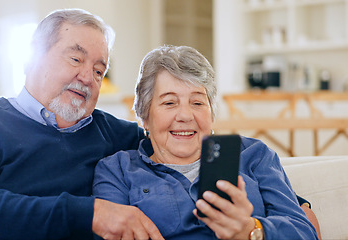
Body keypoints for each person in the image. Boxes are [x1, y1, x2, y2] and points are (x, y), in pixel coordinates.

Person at [0, 8, 164, 240]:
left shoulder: (120, 137)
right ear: (32, 58)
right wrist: (90, 214)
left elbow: (185, 157)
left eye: (98, 71)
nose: (87, 78)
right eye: (75, 59)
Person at [92, 45, 319, 239]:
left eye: (198, 103)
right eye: (169, 103)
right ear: (144, 116)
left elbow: (304, 231)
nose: (185, 115)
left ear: (211, 113)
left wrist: (250, 230)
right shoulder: (117, 171)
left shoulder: (254, 155)